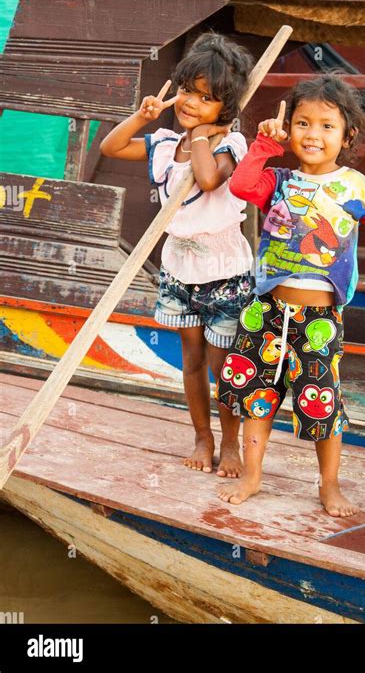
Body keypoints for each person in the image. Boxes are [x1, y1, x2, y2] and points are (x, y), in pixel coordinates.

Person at [216, 74, 365, 516]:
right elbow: (243, 187)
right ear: (290, 128)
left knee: (321, 401)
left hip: (318, 320)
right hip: (265, 311)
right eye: (303, 123)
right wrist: (264, 145)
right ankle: (252, 474)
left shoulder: (355, 186)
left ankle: (329, 484)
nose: (313, 134)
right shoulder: (279, 179)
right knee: (256, 395)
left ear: (347, 136)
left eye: (326, 126)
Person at [100, 32, 255, 478]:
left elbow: (208, 181)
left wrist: (205, 135)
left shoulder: (230, 145)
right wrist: (141, 116)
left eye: (206, 99)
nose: (190, 103)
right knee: (191, 361)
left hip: (224, 272)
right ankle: (202, 438)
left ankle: (230, 444)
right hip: (179, 270)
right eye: (187, 90)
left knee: (225, 367)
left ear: (224, 109)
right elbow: (111, 148)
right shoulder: (167, 142)